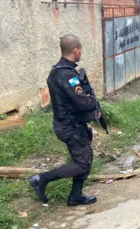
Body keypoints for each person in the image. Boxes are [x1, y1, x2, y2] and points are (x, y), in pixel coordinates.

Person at [28, 34, 99, 207]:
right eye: (80, 50)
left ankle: (76, 196)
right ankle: (41, 179)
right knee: (83, 164)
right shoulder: (67, 75)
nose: (80, 53)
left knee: (85, 158)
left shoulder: (57, 71)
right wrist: (92, 99)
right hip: (70, 127)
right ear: (76, 50)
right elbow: (82, 102)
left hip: (69, 125)